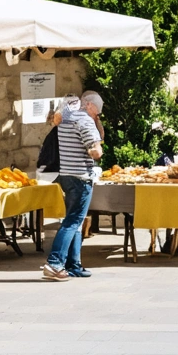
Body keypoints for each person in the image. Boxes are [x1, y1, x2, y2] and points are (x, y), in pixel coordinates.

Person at [43, 91, 103, 281]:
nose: (97, 117)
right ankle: (54, 263)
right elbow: (95, 151)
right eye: (97, 113)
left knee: (75, 222)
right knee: (72, 222)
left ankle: (73, 264)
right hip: (81, 177)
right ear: (89, 106)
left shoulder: (66, 121)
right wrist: (97, 148)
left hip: (67, 175)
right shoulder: (85, 122)